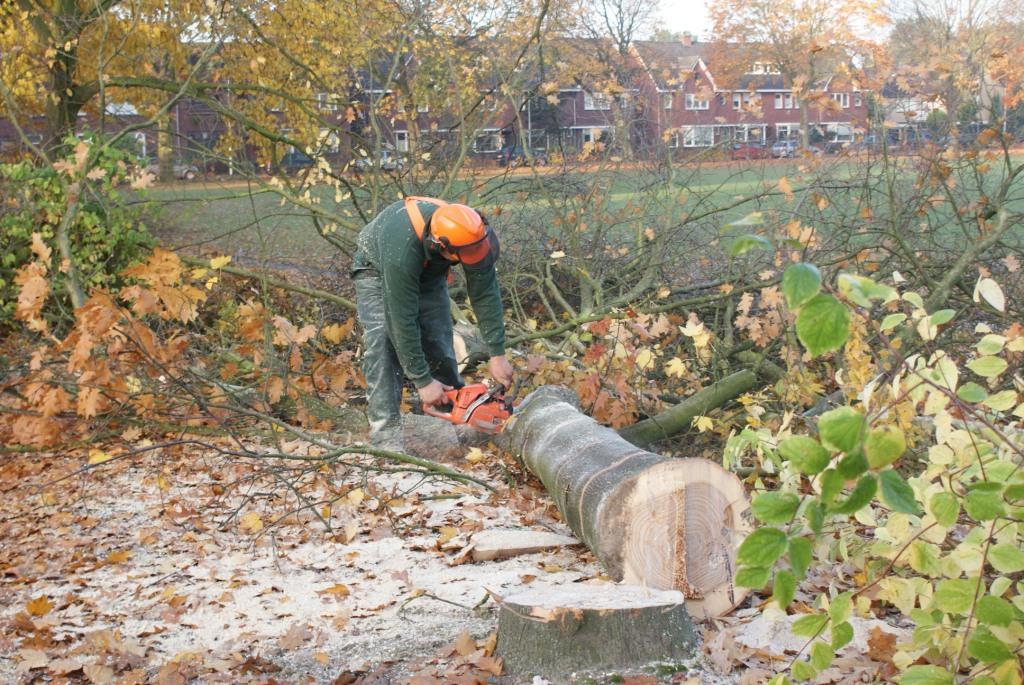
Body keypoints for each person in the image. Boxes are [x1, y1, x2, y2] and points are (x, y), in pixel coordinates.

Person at [351, 196, 514, 442]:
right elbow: (401, 320)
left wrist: (497, 354)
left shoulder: (470, 234)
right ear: (441, 246)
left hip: (430, 271)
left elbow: (485, 293)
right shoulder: (402, 252)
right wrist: (423, 381)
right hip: (377, 270)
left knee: (438, 337)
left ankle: (452, 422)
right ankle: (386, 434)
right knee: (383, 340)